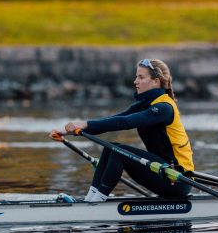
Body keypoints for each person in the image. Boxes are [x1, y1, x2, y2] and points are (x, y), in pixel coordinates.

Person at [49, 58, 194, 202]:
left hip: (177, 179)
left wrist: (84, 123)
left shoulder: (164, 108)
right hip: (161, 172)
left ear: (156, 81)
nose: (135, 81)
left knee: (119, 152)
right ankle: (91, 198)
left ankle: (97, 202)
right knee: (111, 148)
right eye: (136, 76)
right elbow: (113, 120)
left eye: (141, 77)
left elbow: (124, 122)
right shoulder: (144, 104)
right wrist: (66, 131)